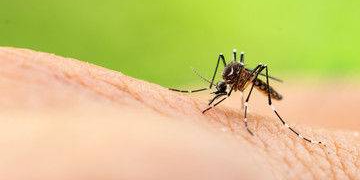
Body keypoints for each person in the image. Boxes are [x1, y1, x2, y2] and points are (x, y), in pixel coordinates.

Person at [0, 47, 358, 179]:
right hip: (238, 78)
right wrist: (207, 94)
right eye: (221, 88)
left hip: (257, 85)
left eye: (221, 89)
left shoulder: (242, 80)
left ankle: (266, 118)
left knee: (249, 66)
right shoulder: (224, 80)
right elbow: (224, 81)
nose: (220, 92)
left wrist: (249, 113)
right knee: (230, 57)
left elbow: (243, 79)